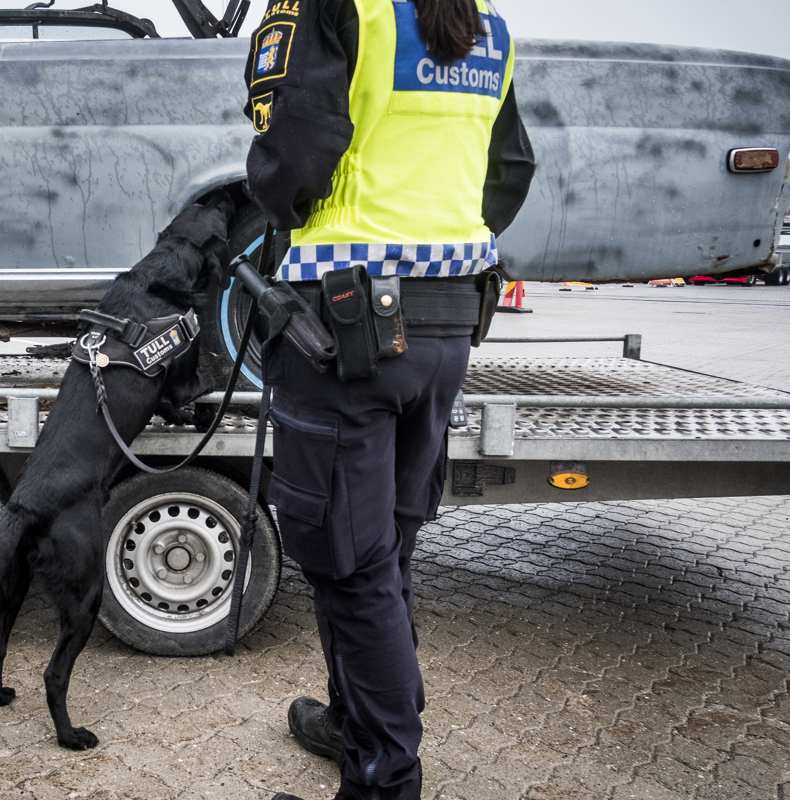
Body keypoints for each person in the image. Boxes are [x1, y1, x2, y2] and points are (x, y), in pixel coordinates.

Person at [241, 0, 535, 798]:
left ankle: (384, 780)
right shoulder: (486, 24)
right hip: (446, 326)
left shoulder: (337, 6)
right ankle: (354, 725)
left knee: (348, 559)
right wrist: (441, 248)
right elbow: (511, 168)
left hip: (349, 324)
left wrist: (302, 224)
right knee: (385, 548)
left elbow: (293, 148)